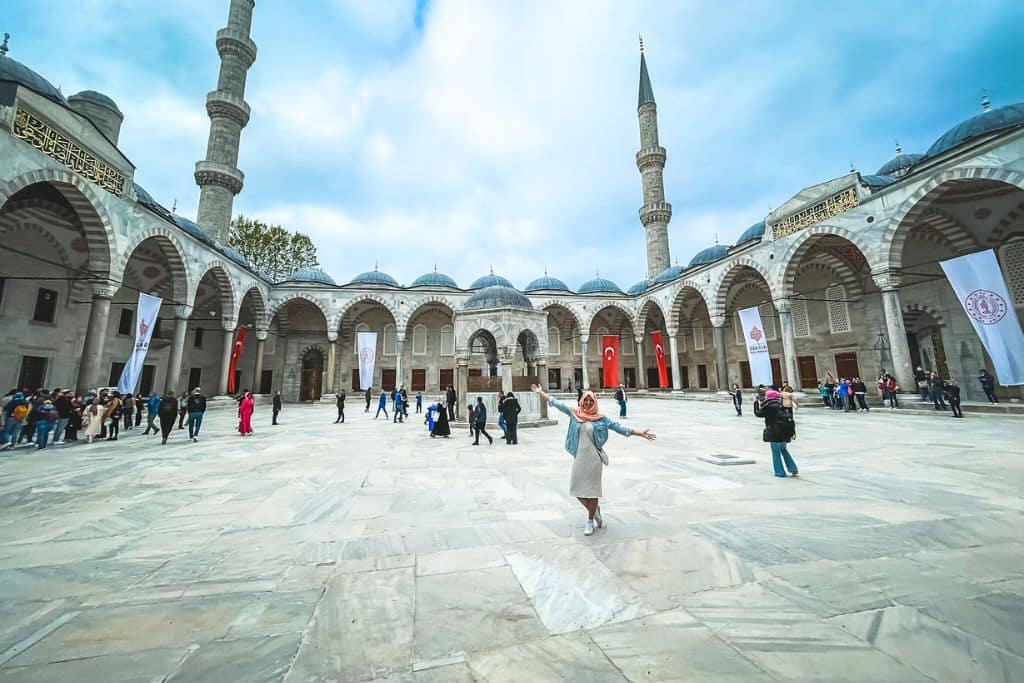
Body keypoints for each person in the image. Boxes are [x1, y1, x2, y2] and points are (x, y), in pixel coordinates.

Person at [531, 383, 655, 536]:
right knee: (577, 490)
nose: (588, 403)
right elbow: (556, 403)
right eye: (586, 400)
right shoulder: (575, 413)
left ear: (594, 401)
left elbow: (619, 428)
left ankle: (590, 521)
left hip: (594, 460)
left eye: (591, 400)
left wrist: (640, 433)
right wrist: (541, 392)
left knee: (593, 491)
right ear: (582, 401)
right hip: (580, 458)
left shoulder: (601, 419)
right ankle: (595, 511)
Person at [753, 389, 798, 478]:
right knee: (784, 450)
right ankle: (793, 468)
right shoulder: (781, 404)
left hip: (774, 432)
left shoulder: (768, 406)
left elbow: (758, 413)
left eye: (767, 395)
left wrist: (755, 403)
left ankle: (779, 472)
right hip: (784, 432)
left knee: (776, 452)